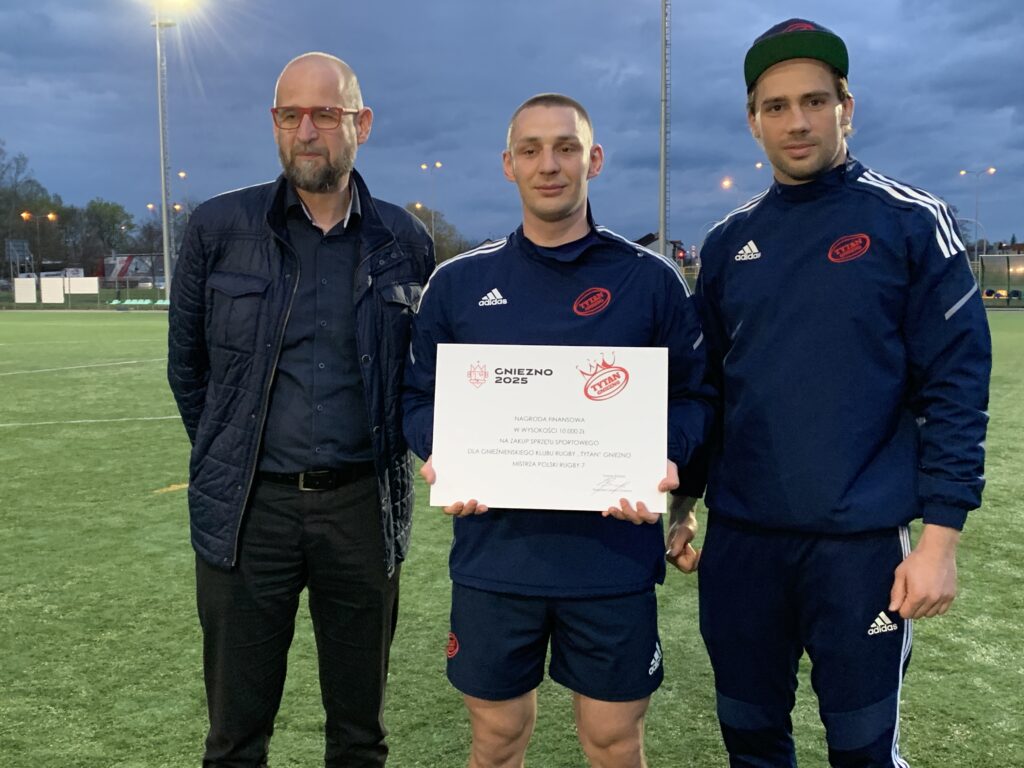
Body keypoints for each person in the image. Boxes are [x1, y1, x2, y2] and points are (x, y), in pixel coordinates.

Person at [691, 19, 992, 766]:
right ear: (753, 120)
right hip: (743, 546)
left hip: (860, 550)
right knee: (750, 742)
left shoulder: (910, 222)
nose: (797, 121)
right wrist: (682, 501)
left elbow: (957, 386)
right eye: (776, 106)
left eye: (815, 101)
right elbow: (708, 389)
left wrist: (940, 542)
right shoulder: (728, 243)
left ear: (845, 107)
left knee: (862, 750)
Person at [402, 93, 711, 768]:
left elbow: (694, 397)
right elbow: (419, 399)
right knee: (496, 741)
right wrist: (443, 453)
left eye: (566, 148)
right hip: (496, 556)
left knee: (614, 743)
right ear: (508, 164)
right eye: (532, 150)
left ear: (593, 160)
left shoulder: (650, 281)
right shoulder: (458, 283)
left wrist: (665, 458)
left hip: (612, 557)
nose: (550, 165)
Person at [167, 52, 434, 767]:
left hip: (362, 510)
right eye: (291, 115)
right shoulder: (217, 228)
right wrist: (234, 451)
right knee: (234, 737)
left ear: (362, 124)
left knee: (359, 736)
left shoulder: (404, 241)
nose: (307, 130)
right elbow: (187, 369)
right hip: (248, 513)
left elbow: (421, 377)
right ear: (275, 123)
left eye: (326, 113)